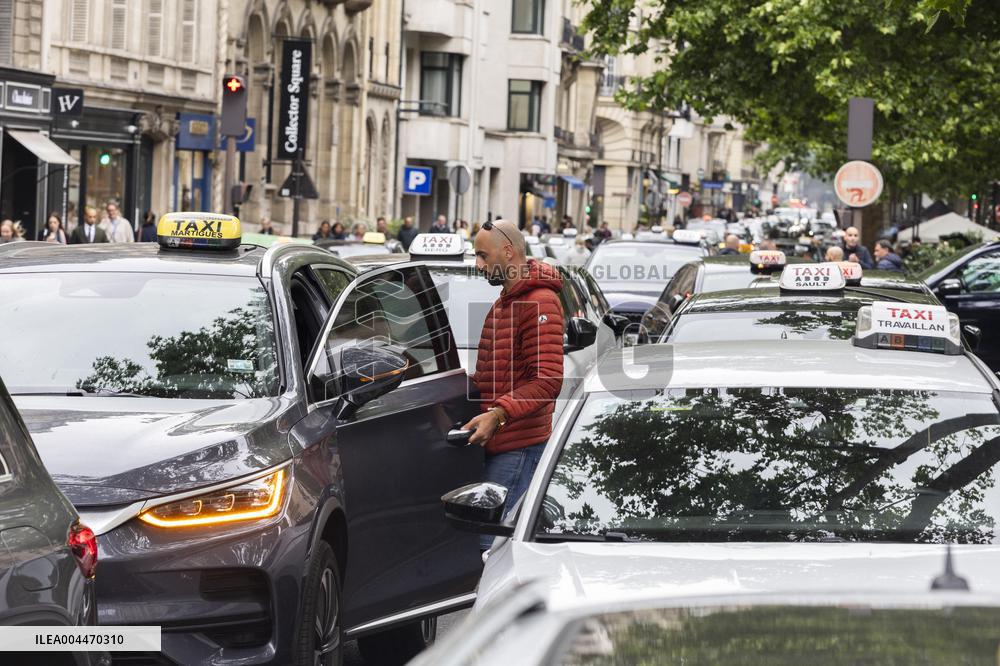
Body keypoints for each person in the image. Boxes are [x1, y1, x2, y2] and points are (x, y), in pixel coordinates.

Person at [463, 218, 564, 550]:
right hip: (501, 447)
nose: (478, 265)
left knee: (494, 548)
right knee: (489, 545)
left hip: (518, 450)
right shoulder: (504, 302)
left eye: (482, 255)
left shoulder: (539, 301)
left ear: (507, 252)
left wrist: (499, 415)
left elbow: (549, 380)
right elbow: (495, 373)